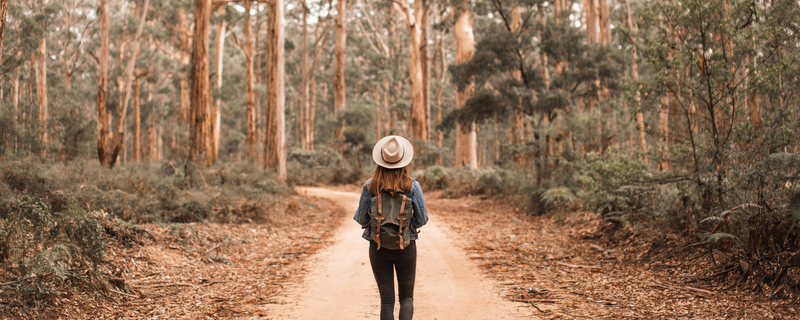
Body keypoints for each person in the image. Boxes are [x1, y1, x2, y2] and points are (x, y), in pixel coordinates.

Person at [354, 135, 429, 320]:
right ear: (404, 161)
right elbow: (422, 220)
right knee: (406, 298)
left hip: (378, 246)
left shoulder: (370, 186)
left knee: (387, 301)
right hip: (406, 246)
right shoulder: (412, 186)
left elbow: (362, 219)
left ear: (380, 161)